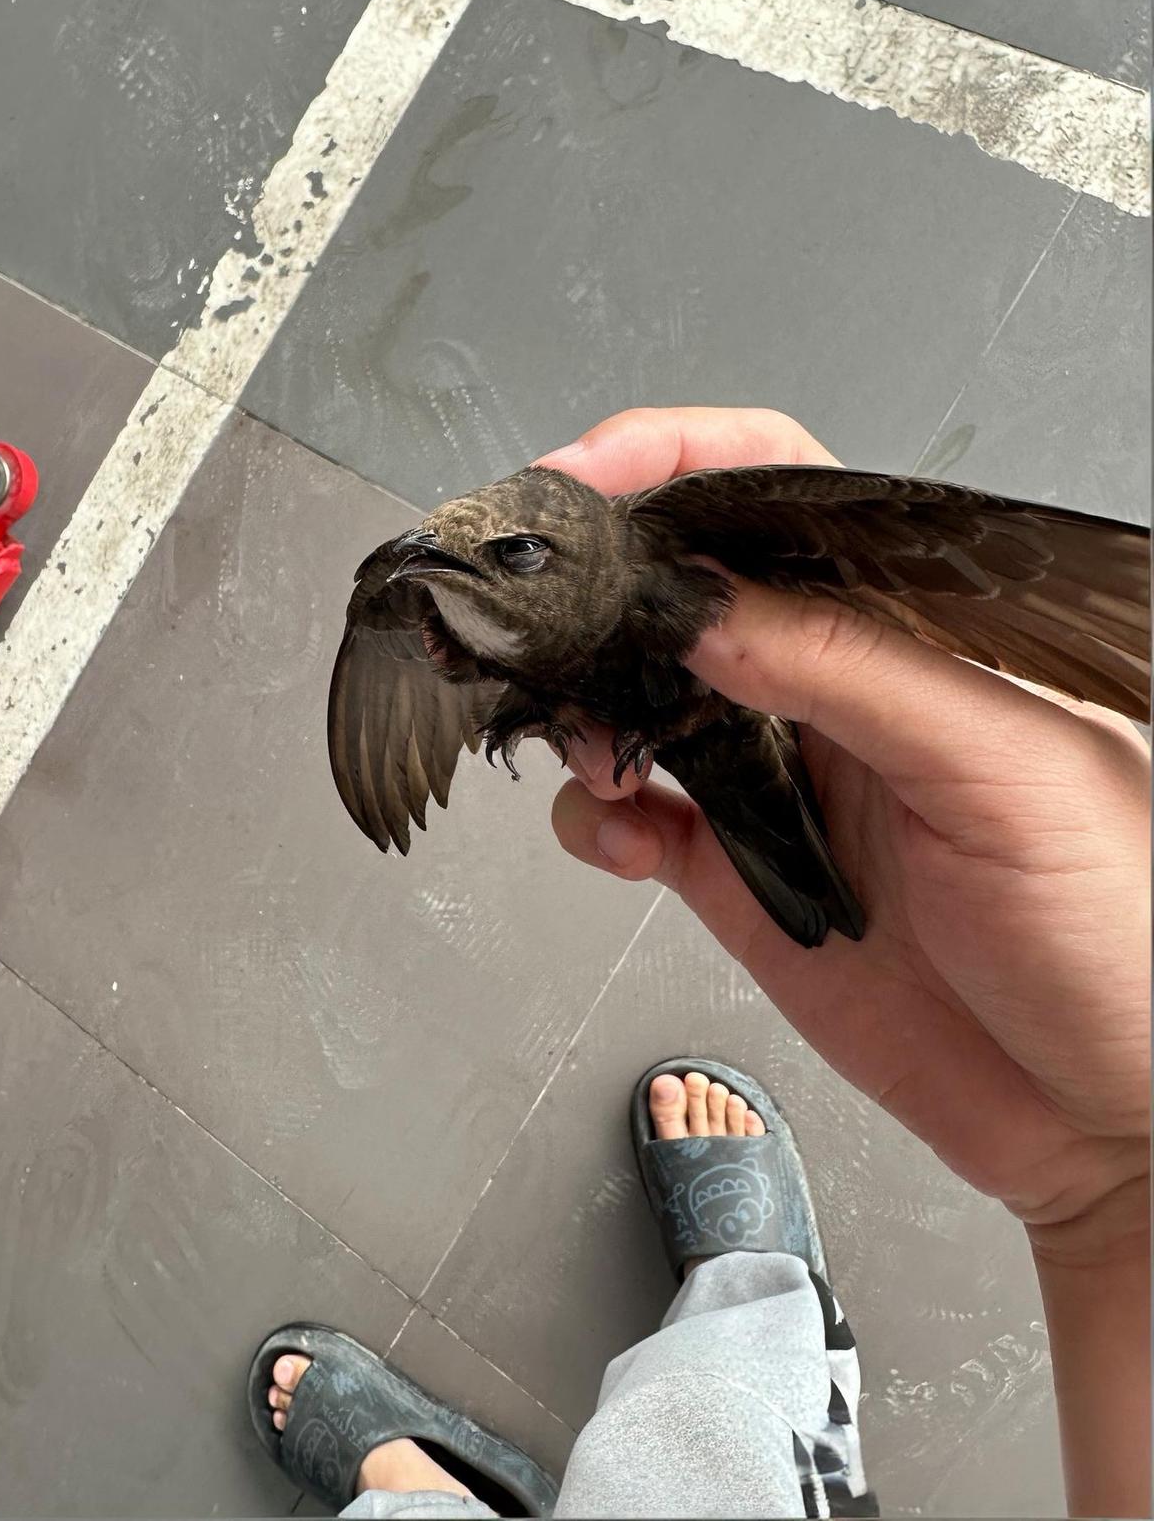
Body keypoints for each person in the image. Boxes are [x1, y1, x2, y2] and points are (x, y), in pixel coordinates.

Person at [248, 408, 1151, 1520]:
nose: (444, 566)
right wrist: (1117, 1177)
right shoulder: (433, 589)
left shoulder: (678, 539)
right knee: (736, 1421)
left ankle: (437, 1484)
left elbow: (937, 539)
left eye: (513, 555)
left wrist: (1121, 1176)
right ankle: (747, 1302)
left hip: (736, 733)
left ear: (563, 556)